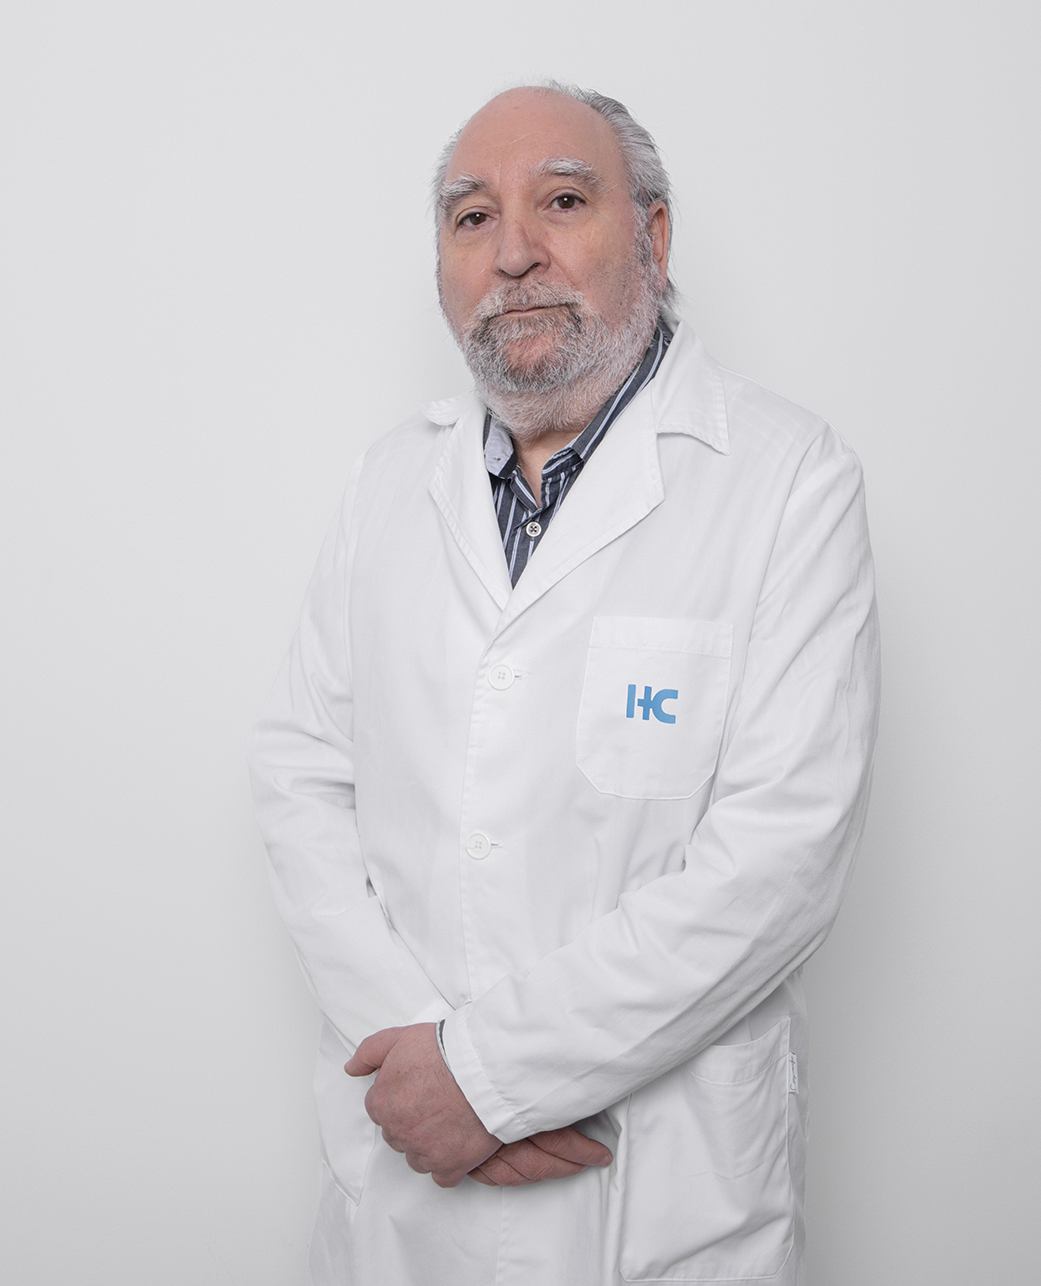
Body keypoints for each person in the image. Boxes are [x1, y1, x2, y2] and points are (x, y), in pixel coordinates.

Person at [249, 81, 879, 1286]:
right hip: (401, 1194)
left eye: (562, 201)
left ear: (651, 237)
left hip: (660, 1205)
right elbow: (299, 774)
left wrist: (491, 1076)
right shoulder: (389, 482)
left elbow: (778, 858)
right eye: (471, 216)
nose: (513, 252)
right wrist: (417, 1062)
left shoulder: (787, 481)